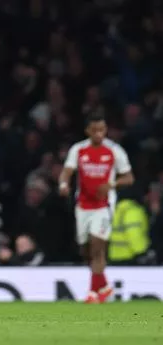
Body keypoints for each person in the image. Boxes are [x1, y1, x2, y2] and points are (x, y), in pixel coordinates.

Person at [58, 113, 134, 303]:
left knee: (96, 246)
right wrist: (63, 185)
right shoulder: (79, 150)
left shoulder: (114, 151)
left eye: (102, 130)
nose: (99, 134)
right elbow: (66, 172)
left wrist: (112, 185)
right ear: (88, 131)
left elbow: (129, 177)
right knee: (85, 250)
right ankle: (105, 286)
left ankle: (93, 292)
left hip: (103, 205)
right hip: (83, 205)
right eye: (95, 130)